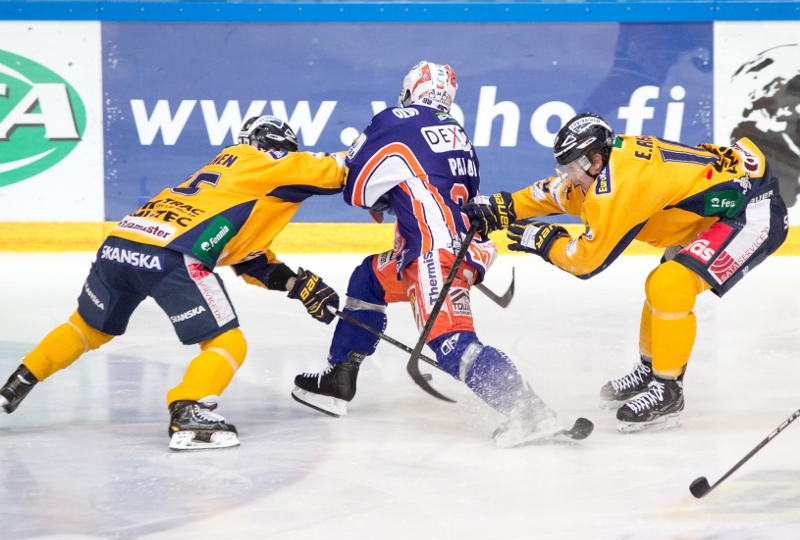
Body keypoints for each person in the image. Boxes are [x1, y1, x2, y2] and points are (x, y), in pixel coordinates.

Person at [290, 61, 592, 447]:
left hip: (435, 255)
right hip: (445, 248)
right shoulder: (458, 134)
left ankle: (527, 410)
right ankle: (338, 378)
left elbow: (356, 190)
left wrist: (377, 193)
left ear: (409, 91)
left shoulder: (395, 120)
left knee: (452, 345)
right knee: (367, 278)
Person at [0, 116, 345, 450]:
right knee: (228, 342)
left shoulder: (233, 180)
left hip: (122, 242)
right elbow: (341, 167)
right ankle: (188, 411)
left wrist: (296, 285)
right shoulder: (267, 162)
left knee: (87, 328)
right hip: (173, 253)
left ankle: (14, 386)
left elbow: (249, 258)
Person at [465, 113, 789, 433]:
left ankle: (668, 391)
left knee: (669, 284)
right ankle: (652, 370)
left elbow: (585, 262)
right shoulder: (609, 164)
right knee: (660, 286)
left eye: (572, 167)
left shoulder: (621, 186)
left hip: (753, 210)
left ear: (594, 160)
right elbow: (561, 192)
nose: (568, 175)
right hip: (717, 208)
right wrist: (501, 207)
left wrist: (545, 240)